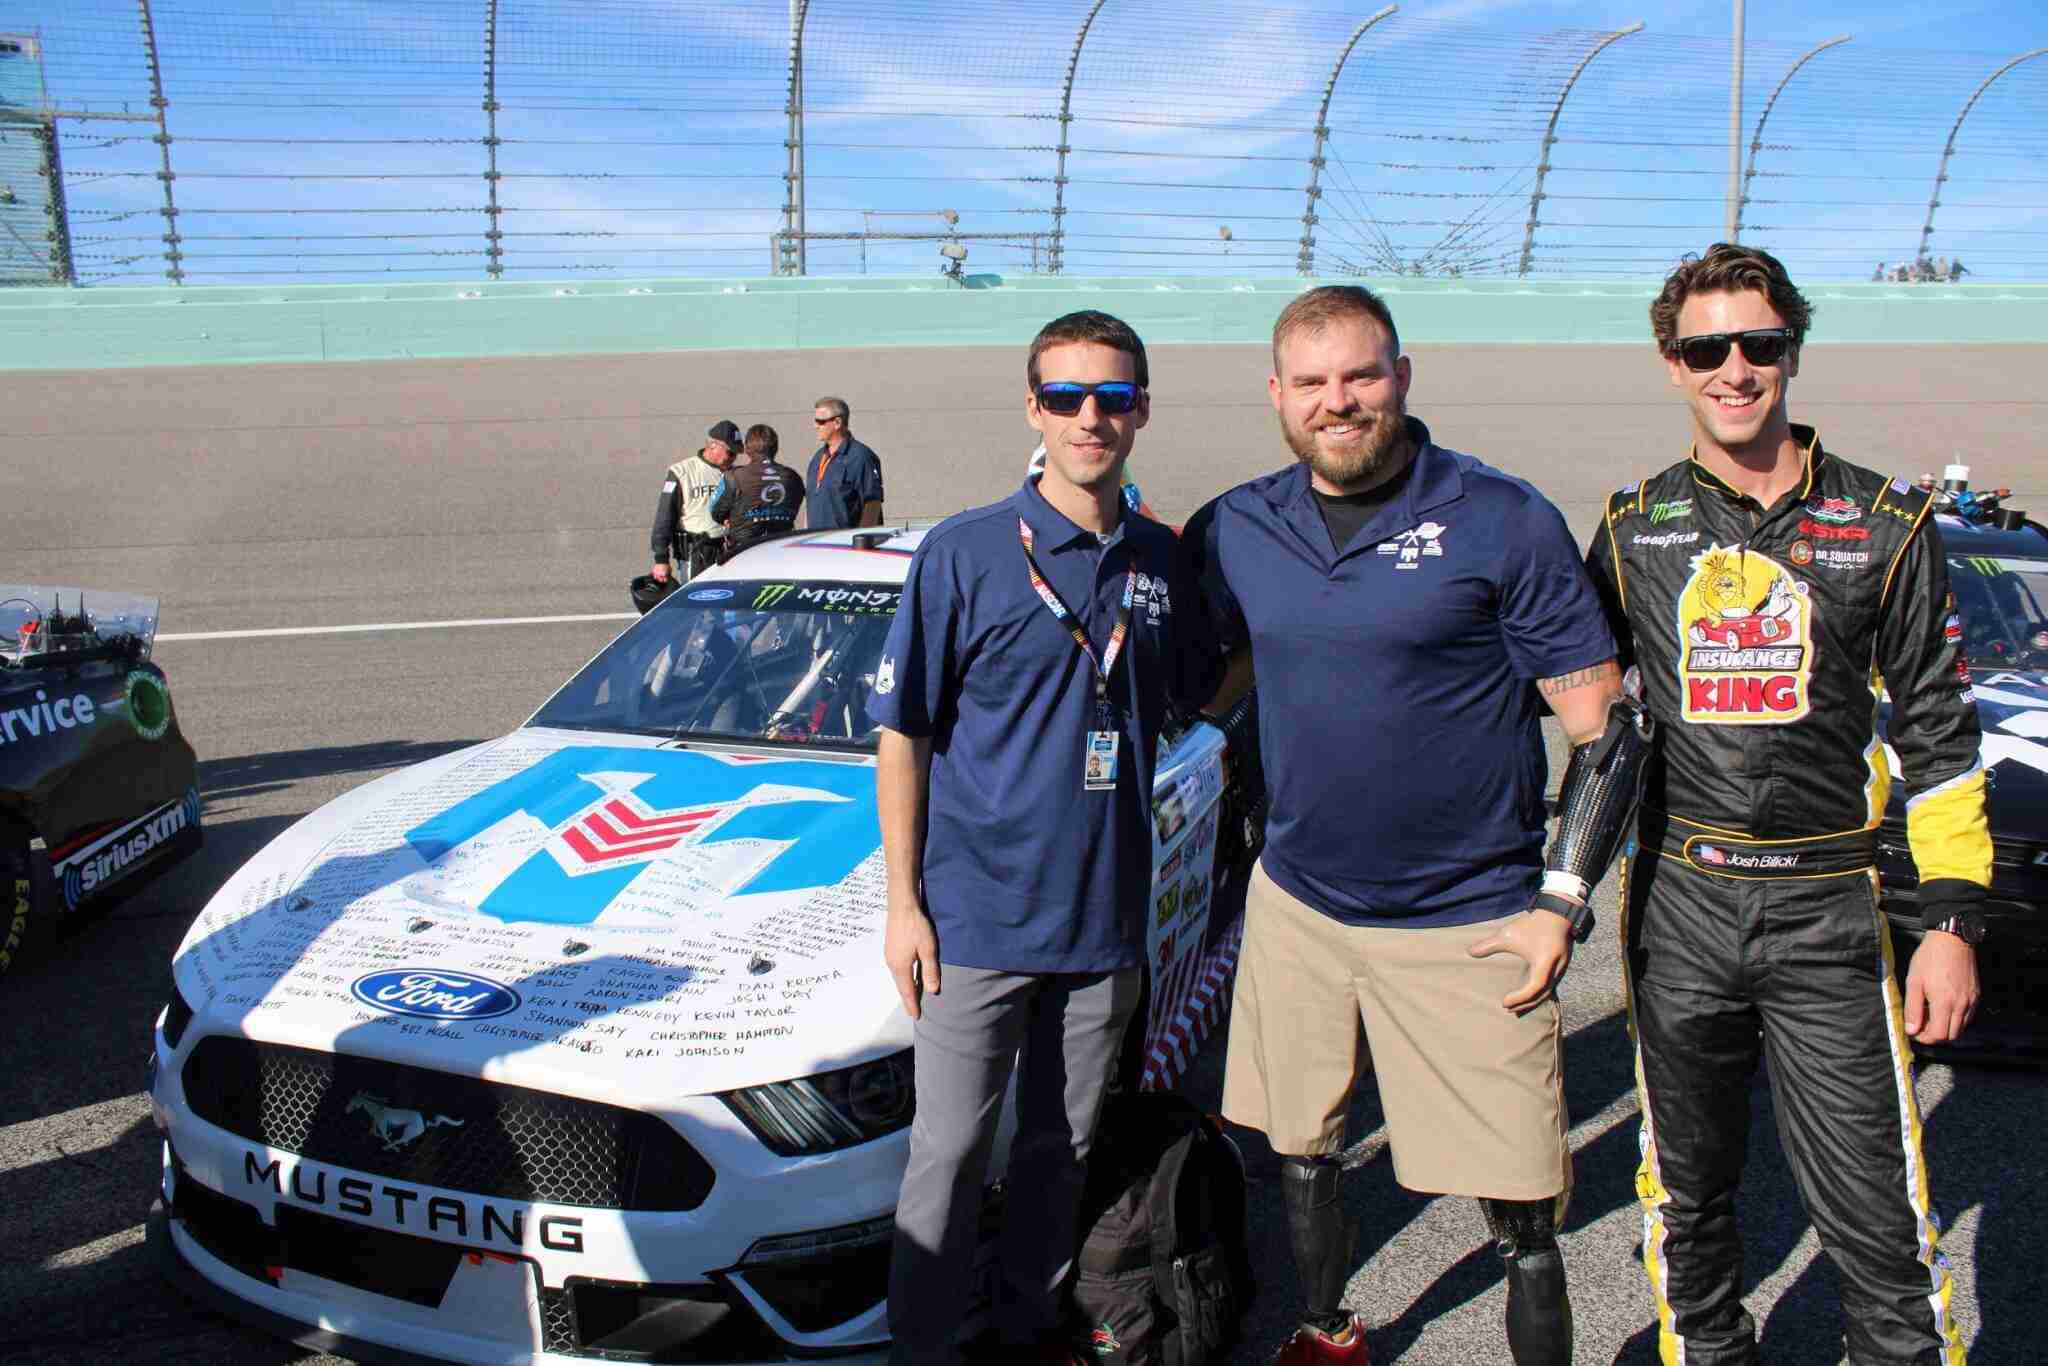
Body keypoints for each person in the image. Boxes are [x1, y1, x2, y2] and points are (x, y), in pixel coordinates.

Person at [1183, 284, 1631, 1366]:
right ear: (1276, 397)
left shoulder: (1499, 516)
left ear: (1400, 377)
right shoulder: (1236, 526)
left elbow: (1605, 732)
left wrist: (1558, 907)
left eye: (1359, 375)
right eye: (1311, 382)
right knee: (1300, 1149)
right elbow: (1212, 690)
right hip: (1298, 907)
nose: (1336, 401)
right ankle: (1324, 1330)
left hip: (1468, 920)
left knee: (1521, 1206)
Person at [1585, 242, 1983, 1365]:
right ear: (1671, 363)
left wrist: (1949, 924)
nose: (1733, 368)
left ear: (1791, 351)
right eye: (1705, 347)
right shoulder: (1628, 530)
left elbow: (1940, 740)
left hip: (1831, 908)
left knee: (1879, 1217)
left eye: (1756, 343)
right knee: (1685, 1203)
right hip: (1680, 901)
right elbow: (1586, 723)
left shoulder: (1889, 524)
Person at [874, 311, 1215, 1365]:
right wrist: (902, 904)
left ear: (1141, 410)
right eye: (1065, 396)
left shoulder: (1160, 558)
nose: (1088, 417)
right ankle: (921, 1348)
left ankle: (1026, 1332)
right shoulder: (965, 550)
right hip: (974, 918)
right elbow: (905, 733)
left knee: (1057, 1150)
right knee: (946, 1156)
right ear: (1033, 408)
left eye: (1111, 397)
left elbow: (1205, 690)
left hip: (1104, 921)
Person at [649, 420, 739, 583]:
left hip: (728, 552)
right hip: (695, 554)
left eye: (736, 454)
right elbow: (665, 516)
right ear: (712, 445)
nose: (733, 458)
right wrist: (661, 559)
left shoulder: (736, 475)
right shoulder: (681, 472)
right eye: (730, 453)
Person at [711, 423, 804, 558]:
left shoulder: (734, 476)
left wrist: (732, 518)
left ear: (747, 449)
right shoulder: (793, 477)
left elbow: (715, 511)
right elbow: (795, 507)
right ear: (775, 448)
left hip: (743, 552)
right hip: (781, 552)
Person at [806, 396, 886, 529]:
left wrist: (862, 541)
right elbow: (811, 504)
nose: (815, 426)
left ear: (837, 422)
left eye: (820, 421)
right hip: (817, 544)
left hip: (844, 545)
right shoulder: (817, 458)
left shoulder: (860, 456)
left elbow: (873, 503)